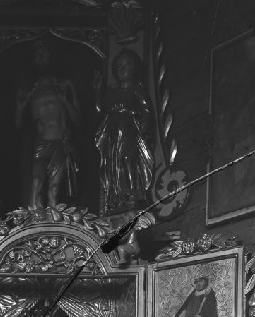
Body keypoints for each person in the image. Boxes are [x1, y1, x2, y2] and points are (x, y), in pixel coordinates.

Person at [16, 39, 80, 210]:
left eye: (44, 52)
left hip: (59, 140)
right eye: (37, 53)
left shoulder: (64, 85)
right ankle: (34, 220)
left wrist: (64, 101)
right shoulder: (28, 90)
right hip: (40, 143)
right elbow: (18, 125)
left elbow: (77, 119)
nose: (41, 57)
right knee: (36, 184)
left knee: (54, 190)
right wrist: (20, 108)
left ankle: (53, 223)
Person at [95, 48, 154, 213]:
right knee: (114, 163)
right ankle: (118, 197)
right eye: (119, 65)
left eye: (127, 64)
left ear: (135, 69)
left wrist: (143, 129)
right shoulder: (112, 94)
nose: (123, 68)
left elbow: (147, 110)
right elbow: (100, 110)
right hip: (113, 134)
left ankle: (134, 192)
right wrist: (98, 91)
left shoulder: (136, 90)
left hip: (129, 130)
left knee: (128, 158)